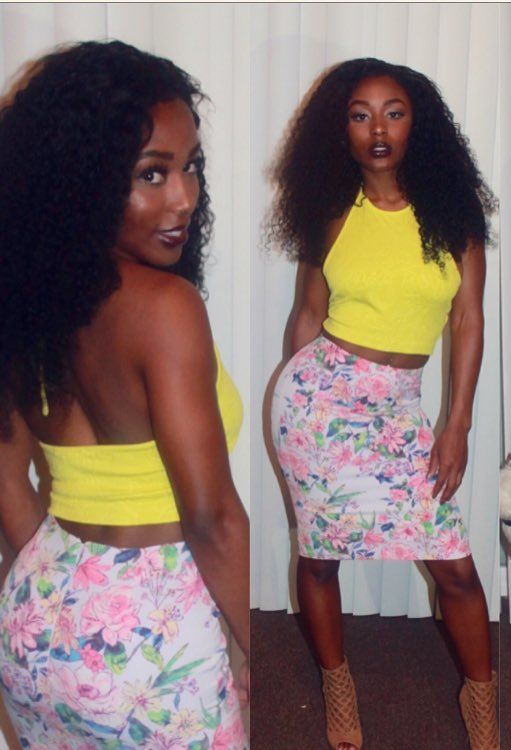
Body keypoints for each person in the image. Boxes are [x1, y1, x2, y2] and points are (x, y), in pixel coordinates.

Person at [0, 41, 249, 749]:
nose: (184, 198)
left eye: (191, 165)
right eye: (151, 174)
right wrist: (251, 647)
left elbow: (6, 477)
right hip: (152, 639)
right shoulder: (165, 309)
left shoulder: (27, 297)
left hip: (36, 616)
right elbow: (212, 517)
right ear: (79, 180)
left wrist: (67, 591)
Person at [267, 58, 498, 749]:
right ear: (340, 129)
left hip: (399, 409)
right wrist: (293, 407)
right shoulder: (332, 214)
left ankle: (483, 700)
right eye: (360, 114)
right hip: (318, 404)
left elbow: (468, 321)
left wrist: (456, 425)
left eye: (393, 113)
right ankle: (338, 687)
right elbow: (308, 315)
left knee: (455, 568)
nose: (378, 129)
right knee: (318, 557)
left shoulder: (454, 217)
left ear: (416, 124)